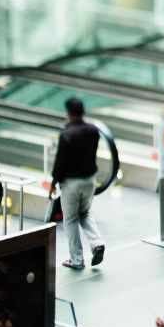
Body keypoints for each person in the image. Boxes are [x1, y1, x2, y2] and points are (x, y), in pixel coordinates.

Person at [53, 97, 106, 270]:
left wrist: (54, 181)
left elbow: (60, 163)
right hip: (90, 180)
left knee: (70, 219)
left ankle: (76, 259)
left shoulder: (66, 134)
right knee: (85, 212)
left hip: (72, 183)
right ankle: (97, 243)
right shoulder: (93, 130)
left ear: (68, 112)